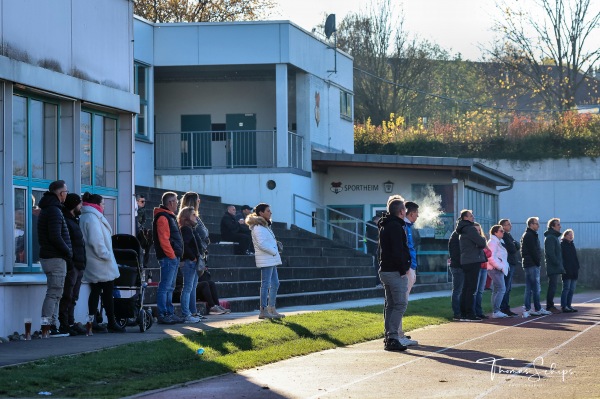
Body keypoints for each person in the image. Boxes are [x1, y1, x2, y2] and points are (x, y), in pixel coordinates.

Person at [79, 192, 125, 333]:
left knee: (97, 291)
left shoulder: (89, 216)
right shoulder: (92, 218)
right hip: (100, 261)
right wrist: (106, 255)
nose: (104, 206)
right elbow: (96, 241)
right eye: (103, 203)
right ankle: (110, 321)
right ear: (97, 204)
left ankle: (93, 321)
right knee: (107, 292)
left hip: (96, 261)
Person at [37, 180, 72, 337]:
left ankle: (52, 326)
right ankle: (48, 327)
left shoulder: (48, 209)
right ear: (60, 193)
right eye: (66, 191)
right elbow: (55, 236)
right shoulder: (54, 210)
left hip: (50, 257)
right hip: (55, 258)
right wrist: (68, 252)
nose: (66, 194)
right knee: (54, 293)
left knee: (56, 293)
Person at [378, 195, 412, 351]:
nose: (406, 212)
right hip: (393, 271)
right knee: (399, 304)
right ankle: (393, 337)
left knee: (391, 305)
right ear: (401, 211)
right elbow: (398, 250)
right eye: (404, 209)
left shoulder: (386, 224)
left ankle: (390, 337)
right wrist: (403, 267)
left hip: (386, 269)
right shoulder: (395, 226)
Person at [246, 203, 284, 319]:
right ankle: (263, 310)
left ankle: (271, 308)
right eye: (268, 211)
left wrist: (275, 246)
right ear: (261, 213)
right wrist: (274, 250)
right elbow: (262, 244)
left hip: (270, 258)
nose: (270, 212)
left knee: (275, 283)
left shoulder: (264, 226)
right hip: (266, 258)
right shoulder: (258, 227)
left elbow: (267, 242)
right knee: (266, 284)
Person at [58, 194, 87, 336]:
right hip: (73, 264)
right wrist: (71, 262)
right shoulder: (67, 221)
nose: (81, 206)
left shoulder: (74, 220)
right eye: (79, 204)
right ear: (73, 205)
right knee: (67, 295)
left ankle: (70, 321)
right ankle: (64, 324)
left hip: (78, 264)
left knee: (73, 296)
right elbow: (68, 244)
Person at [153, 191, 184, 325]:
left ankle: (169, 313)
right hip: (168, 258)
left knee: (170, 287)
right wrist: (171, 255)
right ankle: (163, 313)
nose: (177, 204)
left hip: (172, 257)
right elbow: (163, 239)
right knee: (165, 286)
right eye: (176, 201)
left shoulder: (168, 216)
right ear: (171, 202)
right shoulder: (163, 217)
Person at [457, 210, 487, 322]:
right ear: (465, 218)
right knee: (471, 288)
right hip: (473, 260)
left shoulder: (462, 229)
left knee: (466, 288)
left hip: (466, 260)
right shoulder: (470, 229)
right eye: (470, 216)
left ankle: (464, 313)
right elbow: (482, 242)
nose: (473, 217)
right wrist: (482, 239)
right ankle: (470, 313)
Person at [521, 217, 552, 318]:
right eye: (536, 224)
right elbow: (533, 251)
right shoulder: (529, 235)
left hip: (530, 264)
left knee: (530, 287)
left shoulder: (531, 235)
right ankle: (536, 308)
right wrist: (537, 262)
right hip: (531, 264)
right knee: (535, 288)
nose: (538, 225)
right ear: (531, 225)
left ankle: (529, 308)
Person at [177, 206, 202, 324]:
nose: (196, 217)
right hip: (189, 262)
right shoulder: (185, 229)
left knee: (192, 288)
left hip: (193, 262)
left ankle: (192, 312)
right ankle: (186, 314)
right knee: (187, 288)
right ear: (186, 217)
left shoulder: (191, 228)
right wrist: (193, 257)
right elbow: (185, 246)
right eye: (193, 215)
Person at [487, 225, 509, 318]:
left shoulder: (498, 241)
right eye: (501, 231)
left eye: (503, 231)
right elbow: (491, 257)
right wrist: (499, 266)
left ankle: (496, 310)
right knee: (501, 289)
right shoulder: (493, 242)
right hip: (494, 269)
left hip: (497, 268)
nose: (503, 232)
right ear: (495, 232)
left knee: (497, 289)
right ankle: (496, 311)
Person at [499, 219, 519, 317]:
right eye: (508, 224)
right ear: (503, 226)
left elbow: (517, 246)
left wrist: (515, 244)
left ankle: (505, 307)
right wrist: (514, 244)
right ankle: (504, 308)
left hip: (512, 262)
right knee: (506, 287)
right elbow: (512, 248)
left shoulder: (509, 235)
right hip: (508, 263)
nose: (510, 226)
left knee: (508, 287)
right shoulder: (505, 236)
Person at [544, 218, 565, 313]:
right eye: (558, 225)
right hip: (552, 266)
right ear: (552, 226)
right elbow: (550, 253)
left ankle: (550, 305)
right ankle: (549, 306)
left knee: (554, 286)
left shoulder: (554, 237)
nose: (560, 226)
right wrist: (557, 262)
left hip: (555, 266)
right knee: (552, 286)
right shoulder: (550, 238)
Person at [472, 223, 490, 319]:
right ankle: (473, 311)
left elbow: (489, 252)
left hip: (484, 267)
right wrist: (483, 253)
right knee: (475, 290)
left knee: (480, 291)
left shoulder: (483, 239)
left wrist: (483, 253)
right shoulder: (472, 240)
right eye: (476, 230)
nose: (478, 231)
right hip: (477, 267)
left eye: (479, 230)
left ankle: (479, 311)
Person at [560, 229, 580, 313]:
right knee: (566, 288)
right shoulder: (562, 245)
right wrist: (563, 268)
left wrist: (577, 266)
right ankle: (564, 306)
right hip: (566, 270)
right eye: (569, 234)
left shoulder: (572, 245)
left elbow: (575, 258)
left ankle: (569, 305)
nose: (571, 236)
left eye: (572, 235)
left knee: (572, 289)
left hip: (574, 270)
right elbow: (561, 258)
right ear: (565, 236)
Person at [448, 221, 464, 321]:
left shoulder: (457, 235)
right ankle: (457, 313)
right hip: (458, 266)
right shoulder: (456, 236)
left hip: (459, 265)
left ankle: (459, 312)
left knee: (459, 290)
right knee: (457, 290)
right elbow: (457, 252)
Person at [404, 201, 419, 294]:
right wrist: (408, 266)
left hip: (411, 265)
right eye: (417, 213)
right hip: (408, 266)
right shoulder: (404, 226)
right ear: (412, 213)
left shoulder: (408, 226)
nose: (418, 216)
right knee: (403, 297)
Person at [365, 215, 381, 287]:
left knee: (377, 267)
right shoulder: (374, 228)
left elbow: (366, 240)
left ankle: (378, 282)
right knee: (378, 267)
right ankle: (378, 282)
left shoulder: (369, 228)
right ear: (376, 220)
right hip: (376, 250)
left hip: (372, 250)